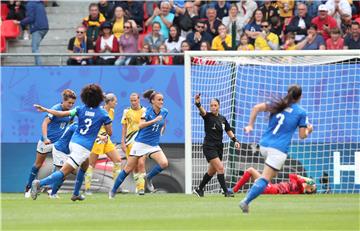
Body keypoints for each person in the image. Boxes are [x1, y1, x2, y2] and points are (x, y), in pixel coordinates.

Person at [30, 84, 112, 201]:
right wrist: (105, 125)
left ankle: (76, 193)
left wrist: (46, 109)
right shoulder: (103, 113)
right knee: (63, 172)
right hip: (83, 147)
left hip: (73, 143)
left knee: (85, 164)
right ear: (98, 98)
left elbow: (61, 114)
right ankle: (39, 183)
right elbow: (109, 132)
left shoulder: (80, 109)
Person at [239, 84, 313, 213]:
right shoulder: (301, 112)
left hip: (264, 145)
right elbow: (302, 136)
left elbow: (256, 107)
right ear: (300, 96)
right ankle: (245, 201)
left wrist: (250, 125)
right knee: (265, 180)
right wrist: (309, 131)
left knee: (268, 176)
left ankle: (254, 190)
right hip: (278, 149)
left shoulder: (278, 104)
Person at [109, 89, 169, 198]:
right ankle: (113, 191)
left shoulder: (164, 111)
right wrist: (154, 121)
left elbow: (163, 122)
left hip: (153, 145)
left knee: (164, 163)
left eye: (162, 100)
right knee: (128, 168)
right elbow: (140, 126)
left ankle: (148, 178)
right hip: (141, 143)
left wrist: (162, 128)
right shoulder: (147, 112)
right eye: (159, 100)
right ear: (153, 101)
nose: (162, 102)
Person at [24, 89, 76, 198]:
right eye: (69, 103)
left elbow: (69, 125)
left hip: (59, 143)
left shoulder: (70, 113)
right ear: (63, 101)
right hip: (46, 142)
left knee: (60, 168)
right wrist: (45, 138)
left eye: (72, 103)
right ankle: (28, 187)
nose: (71, 105)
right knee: (37, 165)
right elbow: (45, 123)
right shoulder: (55, 109)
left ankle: (51, 190)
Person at [192, 94, 240, 198]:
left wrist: (235, 140)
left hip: (219, 147)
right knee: (220, 168)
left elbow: (228, 130)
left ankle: (199, 189)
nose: (213, 107)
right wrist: (198, 104)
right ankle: (226, 191)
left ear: (219, 106)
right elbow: (202, 112)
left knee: (211, 171)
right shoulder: (207, 116)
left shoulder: (222, 118)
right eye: (211, 105)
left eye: (215, 105)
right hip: (209, 146)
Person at [84, 93, 122, 195]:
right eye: (115, 101)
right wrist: (100, 136)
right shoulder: (99, 112)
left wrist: (107, 136)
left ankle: (116, 188)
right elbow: (92, 127)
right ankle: (87, 189)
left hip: (106, 139)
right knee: (91, 164)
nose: (116, 103)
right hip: (97, 139)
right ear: (109, 102)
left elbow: (108, 127)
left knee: (118, 160)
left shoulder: (112, 111)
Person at [120, 93, 147, 195]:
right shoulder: (126, 111)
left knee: (141, 163)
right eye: (131, 101)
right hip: (130, 141)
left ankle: (141, 188)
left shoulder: (144, 111)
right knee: (134, 166)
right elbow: (124, 127)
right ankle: (138, 186)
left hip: (142, 140)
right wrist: (123, 142)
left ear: (139, 100)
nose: (133, 102)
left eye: (135, 100)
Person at [48, 122, 79, 198]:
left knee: (73, 172)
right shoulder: (75, 127)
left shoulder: (79, 126)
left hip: (67, 152)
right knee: (62, 174)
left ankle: (50, 189)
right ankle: (51, 192)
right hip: (60, 150)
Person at [232, 167, 317, 195]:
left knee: (258, 181)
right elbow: (292, 176)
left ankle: (247, 192)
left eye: (312, 186)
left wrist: (307, 179)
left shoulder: (301, 190)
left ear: (309, 190)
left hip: (273, 190)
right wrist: (308, 180)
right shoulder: (299, 185)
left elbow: (299, 181)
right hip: (271, 186)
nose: (310, 183)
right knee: (250, 170)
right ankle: (234, 190)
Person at [13, 0, 49, 65]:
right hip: (45, 27)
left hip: (37, 28)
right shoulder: (39, 3)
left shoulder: (30, 4)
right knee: (36, 47)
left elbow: (31, 18)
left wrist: (20, 22)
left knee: (34, 48)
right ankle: (37, 65)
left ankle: (39, 67)